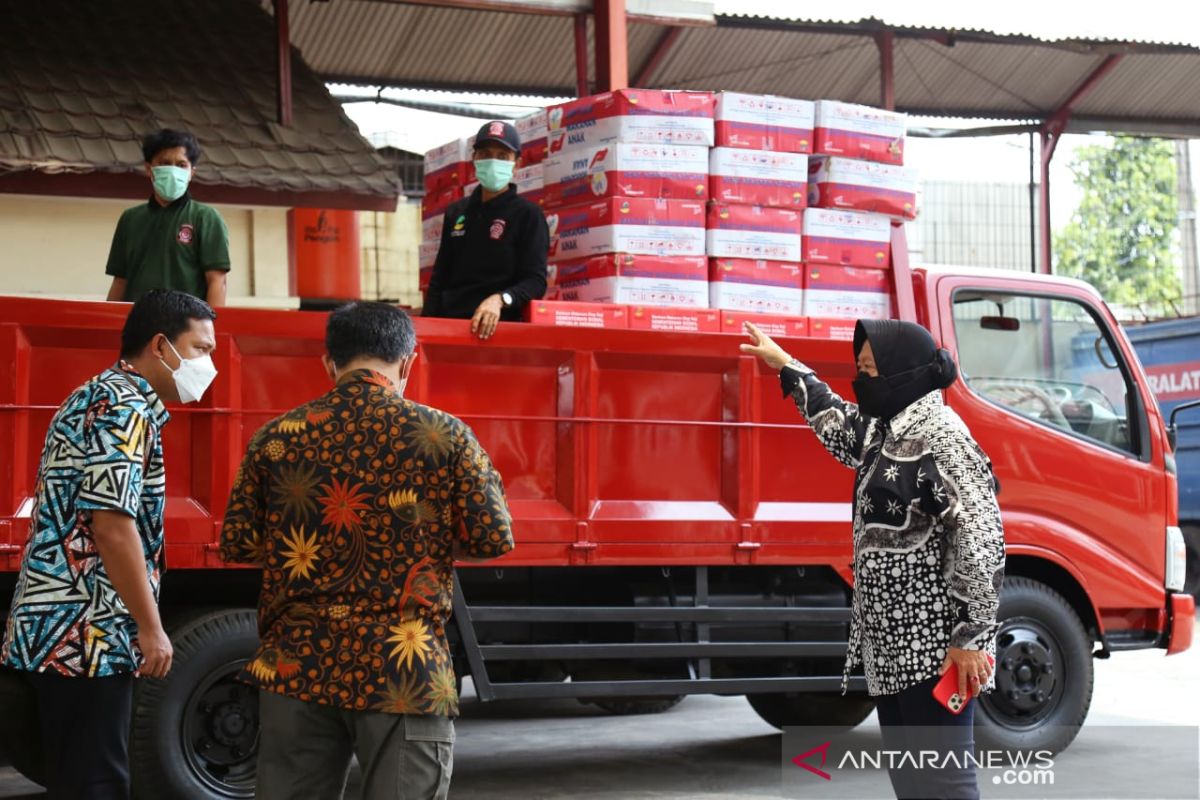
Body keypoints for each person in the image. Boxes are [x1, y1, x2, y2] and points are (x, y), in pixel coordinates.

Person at [220, 301, 515, 800]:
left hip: (298, 666)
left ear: (329, 364)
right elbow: (493, 538)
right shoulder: (444, 437)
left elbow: (239, 544)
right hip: (403, 670)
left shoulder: (277, 439)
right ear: (408, 363)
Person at [741, 319, 1005, 800]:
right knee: (912, 785)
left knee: (944, 786)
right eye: (858, 368)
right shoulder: (886, 431)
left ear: (903, 371)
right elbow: (837, 421)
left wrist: (971, 638)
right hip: (889, 653)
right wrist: (787, 366)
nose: (861, 381)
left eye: (870, 369)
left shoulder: (942, 438)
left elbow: (980, 538)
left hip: (934, 653)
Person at [1, 290, 219, 800]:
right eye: (201, 348)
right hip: (85, 635)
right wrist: (151, 628)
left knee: (80, 779)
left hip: (57, 628)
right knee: (96, 784)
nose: (208, 364)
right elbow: (112, 524)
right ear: (162, 345)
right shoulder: (123, 408)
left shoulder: (97, 394)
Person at [423, 120, 548, 339]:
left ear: (516, 163)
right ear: (475, 159)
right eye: (486, 154)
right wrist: (426, 329)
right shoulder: (456, 212)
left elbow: (535, 281)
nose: (493, 161)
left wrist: (501, 299)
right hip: (451, 329)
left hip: (499, 329)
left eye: (502, 156)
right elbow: (439, 278)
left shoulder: (528, 215)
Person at [105, 129, 231, 306]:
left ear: (191, 172)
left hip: (187, 328)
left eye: (181, 165)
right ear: (149, 169)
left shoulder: (206, 218)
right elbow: (120, 281)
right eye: (165, 163)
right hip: (137, 326)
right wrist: (111, 324)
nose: (173, 170)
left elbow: (217, 282)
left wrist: (212, 331)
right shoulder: (130, 219)